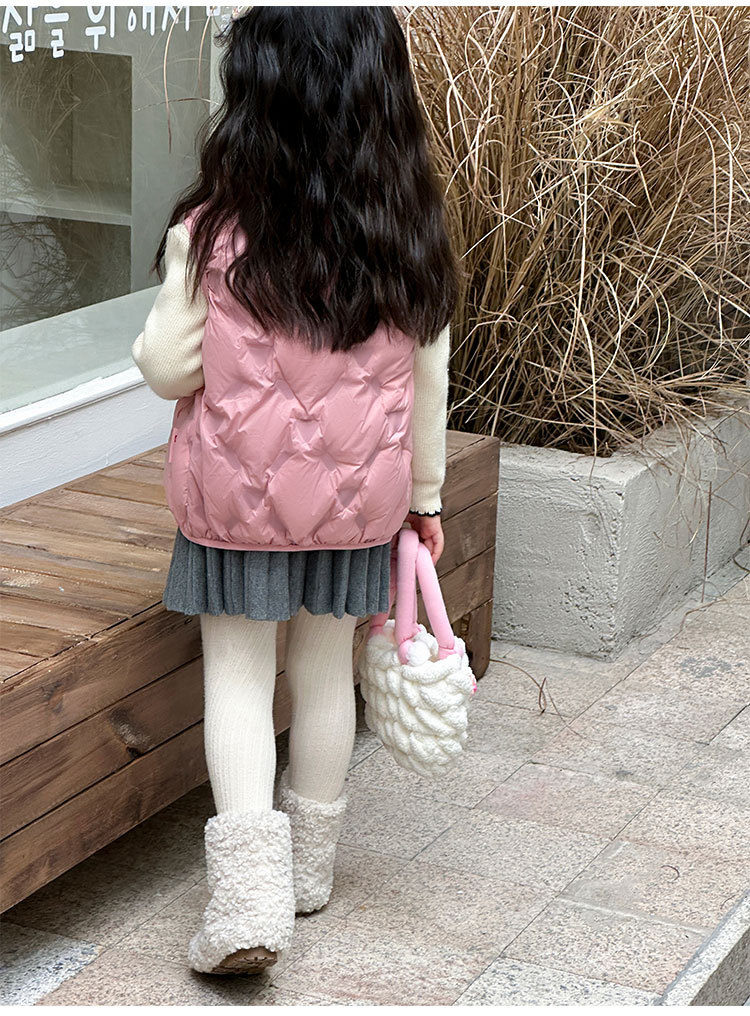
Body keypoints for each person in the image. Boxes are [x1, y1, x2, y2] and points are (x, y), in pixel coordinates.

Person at [131, 7, 457, 977]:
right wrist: (426, 500)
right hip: (359, 505)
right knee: (322, 673)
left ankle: (246, 899)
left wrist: (185, 291)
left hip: (232, 504)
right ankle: (309, 873)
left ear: (254, 98)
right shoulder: (407, 237)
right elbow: (429, 385)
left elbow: (166, 369)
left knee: (236, 677)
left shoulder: (211, 236)